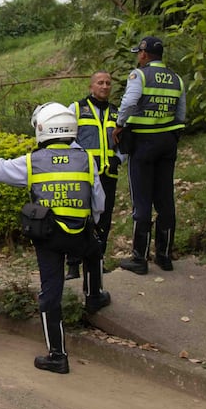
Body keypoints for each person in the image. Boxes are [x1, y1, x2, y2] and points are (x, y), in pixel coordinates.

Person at [0, 102, 111, 374]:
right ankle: (94, 296)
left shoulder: (33, 162)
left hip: (48, 237)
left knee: (50, 294)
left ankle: (57, 356)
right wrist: (86, 221)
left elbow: (0, 169)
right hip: (79, 234)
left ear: (43, 129)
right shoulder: (86, 159)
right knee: (94, 253)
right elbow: (99, 203)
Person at [113, 36, 187, 275]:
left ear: (144, 54)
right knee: (165, 199)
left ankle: (140, 258)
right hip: (167, 143)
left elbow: (129, 102)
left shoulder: (139, 75)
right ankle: (164, 256)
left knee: (142, 201)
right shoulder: (176, 79)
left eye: (139, 53)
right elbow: (181, 114)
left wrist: (119, 124)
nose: (138, 56)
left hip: (143, 143)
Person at [68, 71, 119, 279]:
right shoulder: (76, 109)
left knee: (103, 221)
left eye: (108, 83)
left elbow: (125, 141)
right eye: (100, 83)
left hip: (108, 175)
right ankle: (73, 266)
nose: (105, 86)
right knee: (76, 219)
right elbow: (67, 138)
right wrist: (80, 160)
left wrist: (119, 158)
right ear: (91, 86)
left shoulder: (116, 112)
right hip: (83, 175)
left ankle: (97, 262)